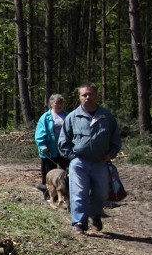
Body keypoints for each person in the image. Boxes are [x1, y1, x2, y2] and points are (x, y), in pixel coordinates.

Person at [58, 83, 121, 235]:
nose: (87, 97)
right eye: (84, 95)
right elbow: (63, 142)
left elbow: (116, 140)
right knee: (79, 192)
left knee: (101, 193)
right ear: (79, 97)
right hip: (79, 162)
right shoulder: (72, 117)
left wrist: (111, 154)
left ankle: (94, 214)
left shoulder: (106, 116)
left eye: (90, 94)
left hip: (100, 162)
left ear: (96, 95)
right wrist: (73, 157)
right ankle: (79, 222)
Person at [34, 93, 70, 202]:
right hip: (49, 150)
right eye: (56, 102)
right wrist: (42, 145)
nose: (58, 105)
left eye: (60, 103)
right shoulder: (45, 117)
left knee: (65, 173)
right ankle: (49, 195)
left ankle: (65, 195)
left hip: (64, 149)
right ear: (51, 103)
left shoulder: (67, 116)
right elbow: (39, 133)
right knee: (49, 174)